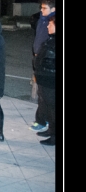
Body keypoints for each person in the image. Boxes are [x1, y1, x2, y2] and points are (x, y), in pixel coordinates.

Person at [30, 0, 56, 133]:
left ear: (53, 9)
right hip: (39, 58)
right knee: (42, 94)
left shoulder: (53, 22)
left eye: (44, 8)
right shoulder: (42, 20)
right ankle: (43, 120)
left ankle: (44, 121)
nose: (41, 10)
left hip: (47, 64)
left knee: (47, 97)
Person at [34, 15, 56, 146]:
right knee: (48, 106)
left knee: (53, 108)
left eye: (51, 24)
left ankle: (55, 136)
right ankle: (51, 130)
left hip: (51, 80)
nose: (48, 26)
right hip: (45, 79)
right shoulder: (51, 39)